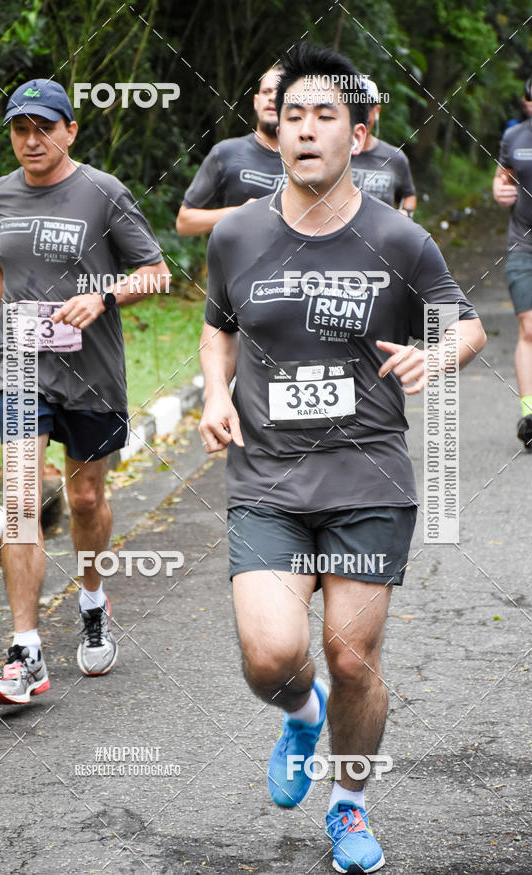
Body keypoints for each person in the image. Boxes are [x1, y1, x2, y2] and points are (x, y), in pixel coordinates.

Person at [199, 44, 486, 872]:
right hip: (268, 480)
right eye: (294, 116)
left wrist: (439, 355)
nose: (308, 130)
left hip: (368, 476)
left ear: (359, 135)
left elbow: (463, 323)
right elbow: (218, 325)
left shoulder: (399, 236)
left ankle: (350, 805)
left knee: (353, 655)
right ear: (274, 130)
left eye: (327, 116)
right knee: (270, 655)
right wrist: (216, 392)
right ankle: (299, 714)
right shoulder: (238, 235)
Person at [0, 78, 169, 704]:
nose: (31, 140)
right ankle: (26, 652)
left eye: (44, 127)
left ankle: (93, 599)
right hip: (20, 365)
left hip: (91, 372)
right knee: (21, 500)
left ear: (70, 130)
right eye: (21, 129)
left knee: (85, 499)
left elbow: (155, 275)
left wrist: (101, 297)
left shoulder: (104, 193)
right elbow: (0, 268)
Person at [175, 67, 285, 236]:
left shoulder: (308, 160)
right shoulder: (225, 153)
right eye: (266, 91)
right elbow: (184, 223)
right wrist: (238, 213)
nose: (272, 97)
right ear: (256, 101)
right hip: (236, 260)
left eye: (280, 92)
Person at [492, 109, 532, 449]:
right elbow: (501, 177)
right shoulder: (514, 137)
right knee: (529, 327)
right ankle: (530, 415)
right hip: (524, 246)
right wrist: (499, 189)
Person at [351, 78, 417, 217]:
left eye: (367, 107)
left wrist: (406, 213)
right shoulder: (331, 154)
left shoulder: (395, 157)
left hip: (382, 237)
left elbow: (409, 194)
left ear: (377, 111)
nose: (361, 116)